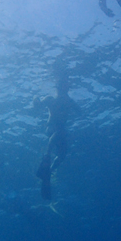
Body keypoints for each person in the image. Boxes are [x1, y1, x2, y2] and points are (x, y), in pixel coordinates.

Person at [33, 65, 79, 200]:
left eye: (65, 88)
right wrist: (35, 98)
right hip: (52, 128)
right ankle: (47, 157)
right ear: (58, 89)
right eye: (62, 88)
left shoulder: (69, 101)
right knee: (58, 134)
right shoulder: (50, 99)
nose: (63, 90)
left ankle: (49, 171)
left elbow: (79, 111)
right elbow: (38, 106)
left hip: (61, 130)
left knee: (63, 154)